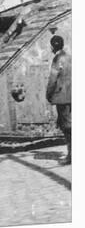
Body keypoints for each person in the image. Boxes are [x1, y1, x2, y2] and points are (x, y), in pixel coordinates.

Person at [46, 35, 71, 165]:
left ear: (52, 46)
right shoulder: (69, 57)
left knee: (67, 127)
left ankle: (71, 156)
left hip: (62, 97)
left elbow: (52, 80)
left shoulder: (57, 59)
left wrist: (48, 95)